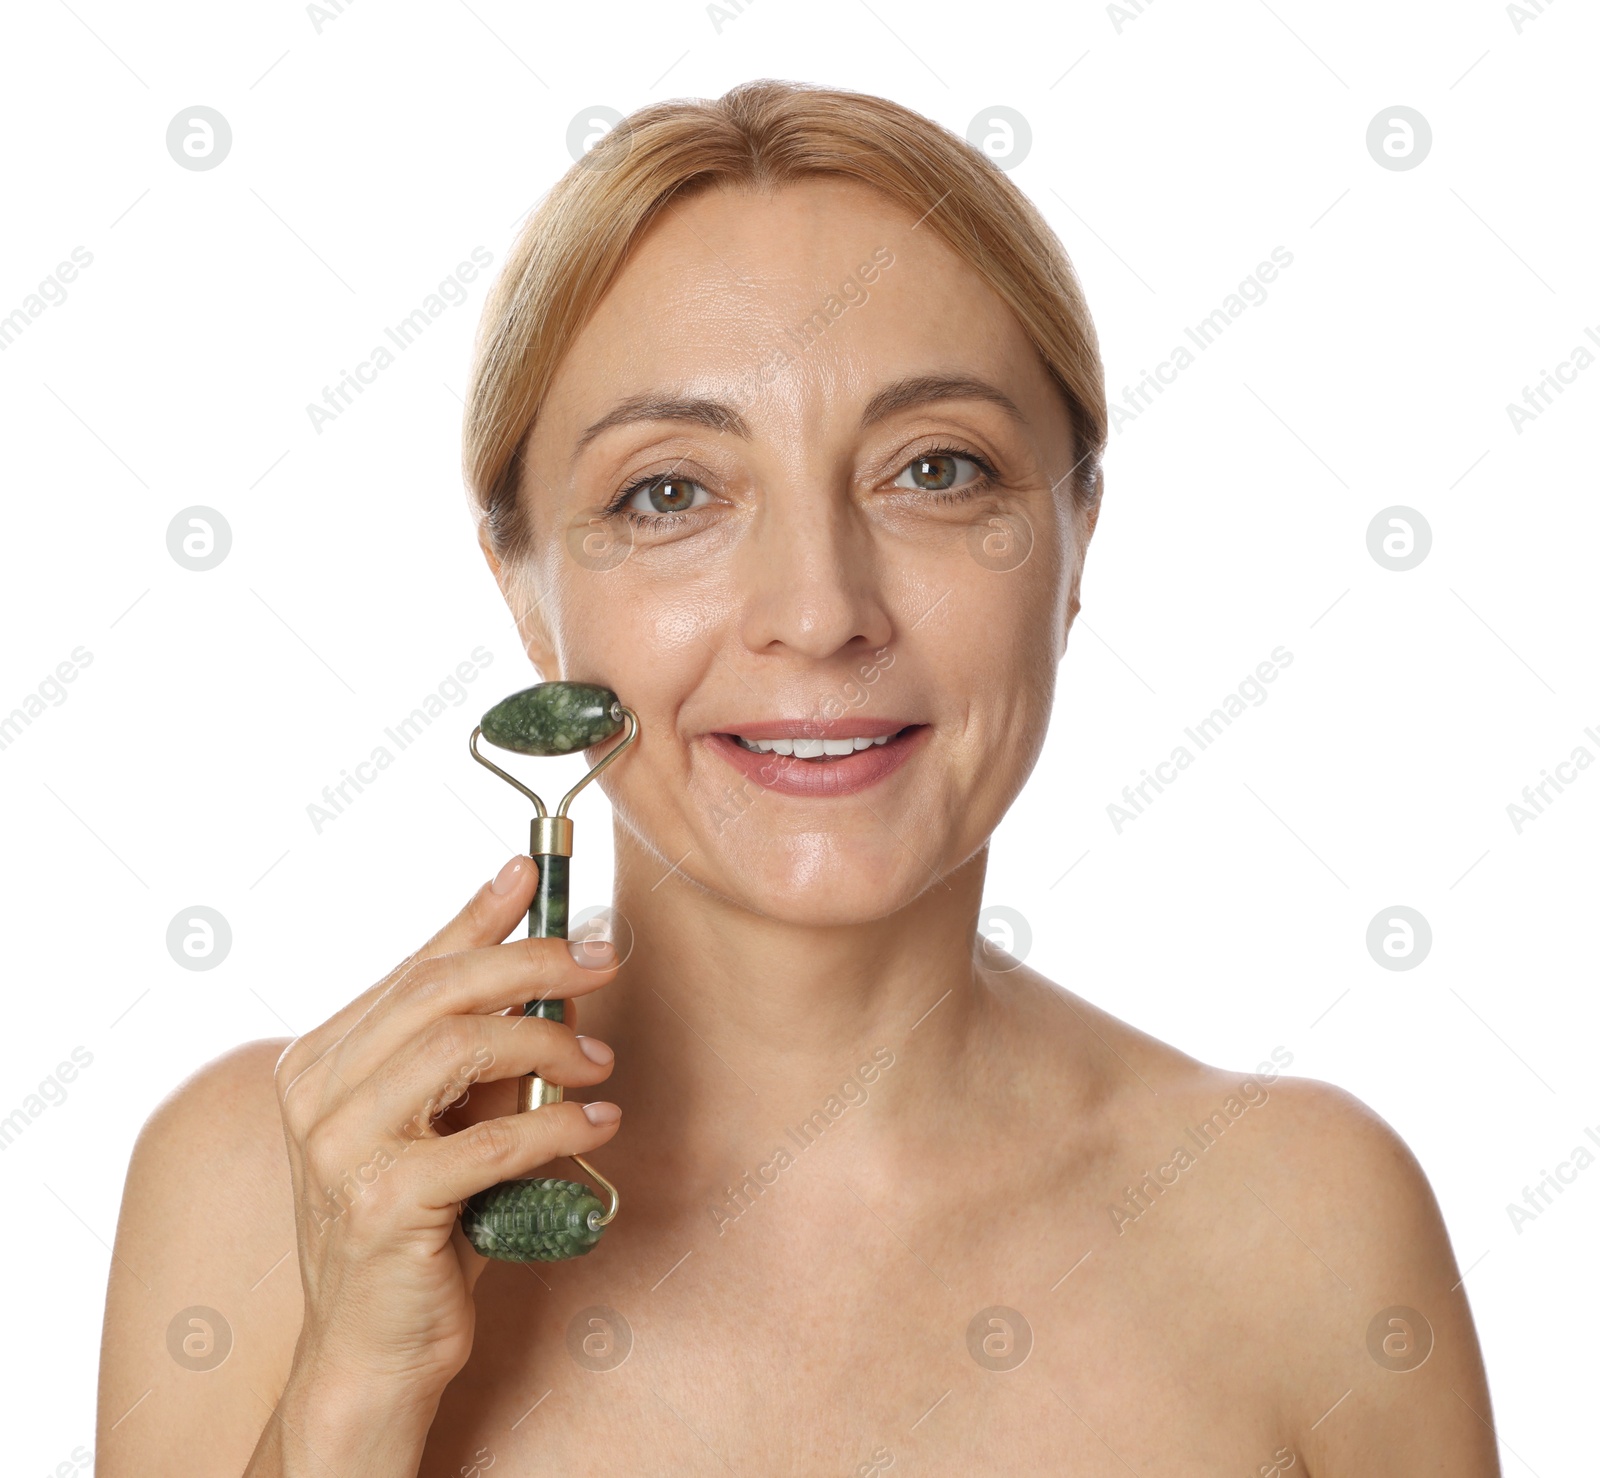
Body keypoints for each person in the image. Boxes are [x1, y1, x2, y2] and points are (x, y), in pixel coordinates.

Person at [96, 79, 1500, 1477]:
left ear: (1076, 538)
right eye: (670, 492)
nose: (820, 608)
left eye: (937, 470)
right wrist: (342, 1412)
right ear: (526, 590)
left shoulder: (1309, 1235)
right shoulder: (269, 1187)